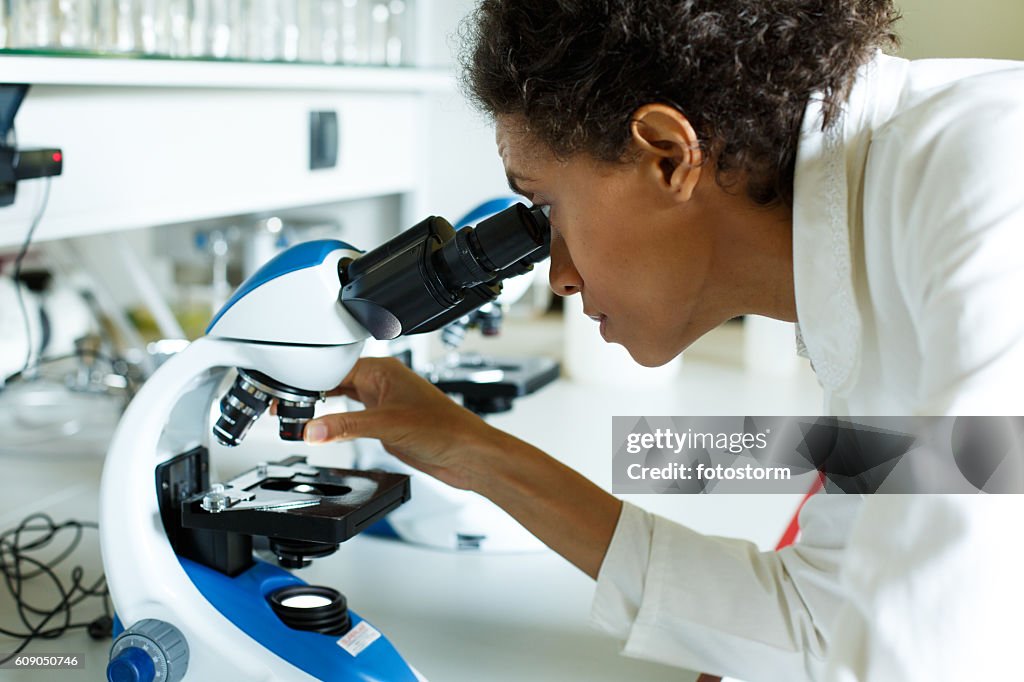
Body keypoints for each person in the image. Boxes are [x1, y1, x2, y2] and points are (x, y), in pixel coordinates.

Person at [302, 1, 1024, 680]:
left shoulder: (985, 184)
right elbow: (821, 623)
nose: (558, 278)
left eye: (547, 206)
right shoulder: (875, 227)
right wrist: (477, 455)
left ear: (669, 157)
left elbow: (926, 653)